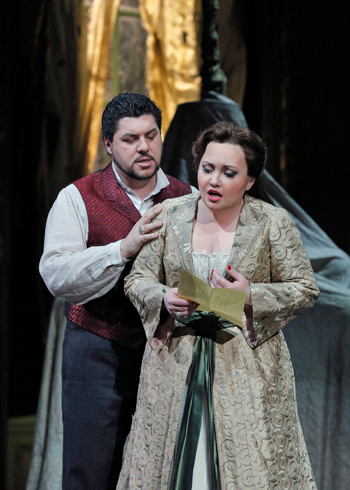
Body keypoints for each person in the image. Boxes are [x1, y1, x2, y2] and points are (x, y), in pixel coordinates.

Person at [120, 121, 320, 490]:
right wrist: (163, 298)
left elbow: (305, 288)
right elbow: (137, 279)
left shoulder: (271, 222)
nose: (213, 181)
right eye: (207, 169)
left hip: (246, 365)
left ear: (249, 179)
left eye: (229, 173)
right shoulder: (169, 215)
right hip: (175, 364)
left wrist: (250, 294)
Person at [39, 92, 194, 490]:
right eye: (130, 139)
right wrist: (122, 248)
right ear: (109, 144)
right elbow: (56, 275)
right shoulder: (77, 197)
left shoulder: (186, 199)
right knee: (90, 474)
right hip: (95, 350)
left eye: (151, 135)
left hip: (165, 354)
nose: (144, 147)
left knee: (159, 474)